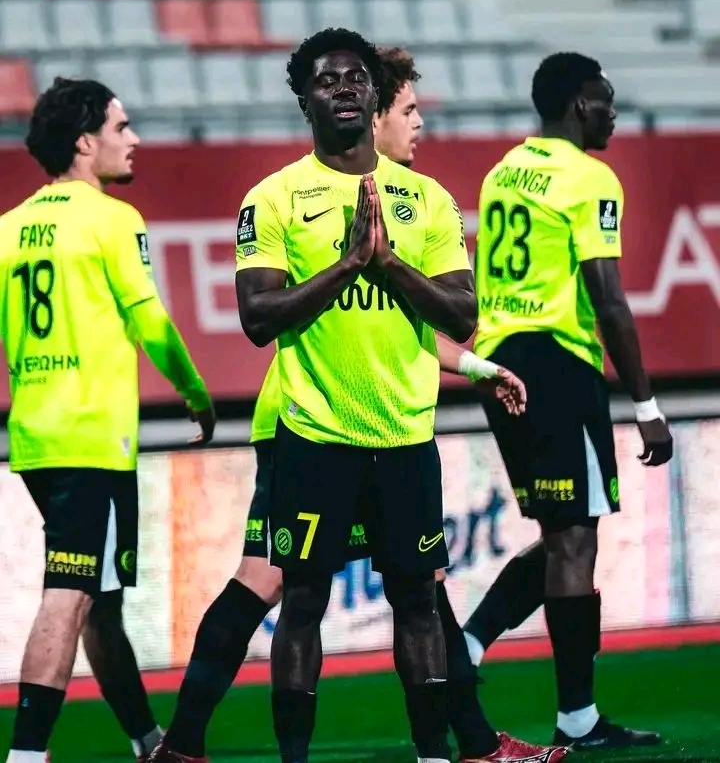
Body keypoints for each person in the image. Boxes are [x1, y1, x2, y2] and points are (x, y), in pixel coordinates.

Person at [149, 47, 559, 763]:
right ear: (305, 100)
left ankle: (452, 748)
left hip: (402, 435)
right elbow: (257, 319)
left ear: (373, 97)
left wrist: (389, 266)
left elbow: (457, 316)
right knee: (294, 595)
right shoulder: (274, 197)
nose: (344, 90)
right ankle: (218, 746)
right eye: (326, 81)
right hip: (307, 430)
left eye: (357, 79)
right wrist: (347, 264)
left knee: (417, 596)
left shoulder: (425, 200)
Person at [0, 79, 216, 763]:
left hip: (35, 433)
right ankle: (27, 755)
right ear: (85, 142)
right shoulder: (113, 220)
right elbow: (150, 321)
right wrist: (195, 391)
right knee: (70, 591)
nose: (135, 139)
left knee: (101, 597)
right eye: (122, 127)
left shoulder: (8, 227)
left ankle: (147, 743)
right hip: (92, 436)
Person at [465, 53, 673, 750]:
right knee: (576, 538)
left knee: (565, 533)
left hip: (500, 363)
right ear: (581, 104)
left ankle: (466, 646)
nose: (613, 114)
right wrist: (646, 407)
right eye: (605, 101)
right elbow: (608, 299)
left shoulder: (503, 171)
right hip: (557, 360)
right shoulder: (589, 177)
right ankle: (577, 718)